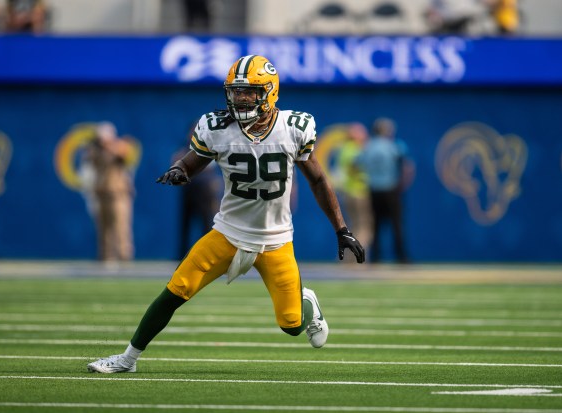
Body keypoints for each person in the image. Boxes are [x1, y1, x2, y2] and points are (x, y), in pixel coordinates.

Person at [87, 55, 365, 373]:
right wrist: (179, 170)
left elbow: (317, 179)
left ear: (270, 93)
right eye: (237, 92)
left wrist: (341, 228)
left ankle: (308, 302)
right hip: (228, 233)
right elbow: (192, 161)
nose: (242, 99)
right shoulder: (218, 128)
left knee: (291, 325)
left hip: (275, 241)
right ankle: (127, 359)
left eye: (250, 92)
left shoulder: (293, 128)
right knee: (176, 290)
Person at [356, 117, 414, 264]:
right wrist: (402, 184)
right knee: (397, 225)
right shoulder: (393, 146)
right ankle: (402, 257)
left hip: (373, 190)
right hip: (391, 190)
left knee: (375, 225)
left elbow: (356, 163)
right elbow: (407, 165)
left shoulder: (367, 146)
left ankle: (376, 257)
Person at [85, 122, 136, 263]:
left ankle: (124, 257)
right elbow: (88, 159)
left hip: (119, 194)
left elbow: (124, 155)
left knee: (121, 227)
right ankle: (106, 257)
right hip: (102, 193)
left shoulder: (118, 146)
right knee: (103, 227)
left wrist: (109, 146)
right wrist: (96, 146)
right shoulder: (96, 151)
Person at [172, 130, 221, 260]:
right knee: (186, 223)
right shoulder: (186, 146)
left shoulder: (210, 144)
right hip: (189, 188)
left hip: (204, 189)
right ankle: (182, 256)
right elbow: (176, 162)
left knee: (207, 223)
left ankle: (208, 255)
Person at [337, 123, 373, 257]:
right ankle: (357, 257)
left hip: (348, 192)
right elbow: (355, 166)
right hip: (360, 192)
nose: (365, 135)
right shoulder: (356, 149)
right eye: (362, 133)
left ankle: (348, 258)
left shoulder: (344, 148)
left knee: (354, 226)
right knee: (364, 227)